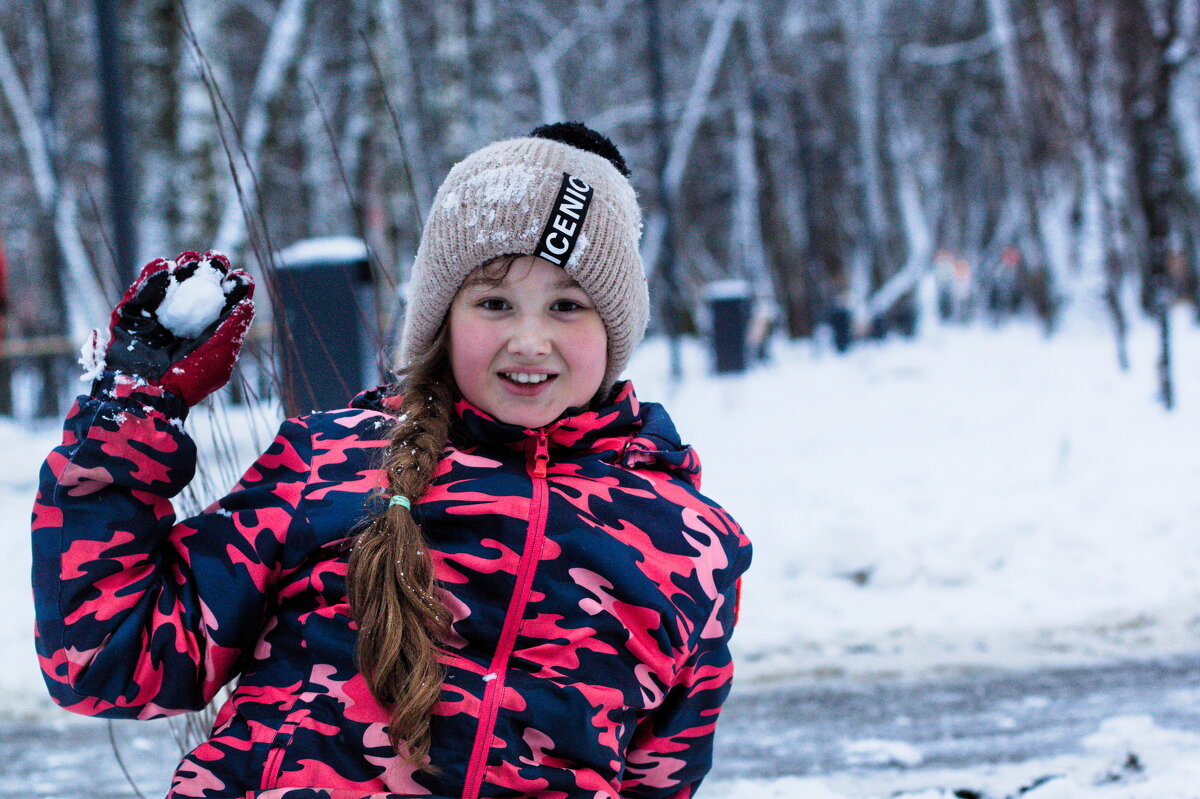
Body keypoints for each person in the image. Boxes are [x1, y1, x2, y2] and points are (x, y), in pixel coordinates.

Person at [32, 122, 752, 799]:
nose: (530, 340)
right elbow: (109, 661)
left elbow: (658, 780)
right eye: (495, 302)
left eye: (568, 306)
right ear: (442, 317)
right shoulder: (330, 461)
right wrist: (125, 424)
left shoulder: (685, 544)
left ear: (617, 328)